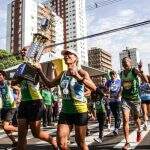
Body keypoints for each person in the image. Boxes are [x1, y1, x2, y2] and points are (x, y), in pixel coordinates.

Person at [36, 49, 97, 150]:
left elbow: (93, 88)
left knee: (80, 143)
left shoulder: (82, 72)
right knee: (61, 143)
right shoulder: (63, 73)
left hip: (80, 111)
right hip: (65, 111)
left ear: (76, 58)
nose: (66, 56)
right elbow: (49, 84)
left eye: (69, 54)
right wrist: (40, 71)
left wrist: (77, 76)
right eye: (65, 55)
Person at [14, 47, 58, 150]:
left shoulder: (36, 66)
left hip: (35, 102)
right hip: (23, 102)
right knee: (21, 135)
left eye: (25, 50)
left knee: (36, 133)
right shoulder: (20, 66)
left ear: (32, 52)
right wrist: (20, 76)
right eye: (22, 51)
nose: (22, 52)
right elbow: (13, 82)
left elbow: (35, 81)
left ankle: (52, 140)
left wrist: (22, 75)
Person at [120, 57, 148, 150]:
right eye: (122, 61)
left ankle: (139, 130)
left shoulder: (134, 70)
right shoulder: (121, 73)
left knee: (136, 118)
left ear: (130, 63)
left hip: (135, 99)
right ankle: (127, 143)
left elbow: (145, 80)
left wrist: (140, 70)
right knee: (125, 119)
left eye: (126, 61)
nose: (124, 62)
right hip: (125, 99)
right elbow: (122, 86)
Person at [0, 70, 18, 148]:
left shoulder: (8, 83)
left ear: (4, 76)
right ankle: (15, 142)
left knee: (5, 126)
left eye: (0, 75)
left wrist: (17, 98)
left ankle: (22, 130)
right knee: (5, 128)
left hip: (11, 107)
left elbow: (18, 89)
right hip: (4, 108)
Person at [106, 70, 122, 135]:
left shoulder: (119, 81)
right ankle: (118, 124)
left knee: (117, 114)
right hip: (111, 100)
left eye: (113, 74)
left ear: (116, 75)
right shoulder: (108, 82)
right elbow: (106, 90)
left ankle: (116, 128)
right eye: (111, 75)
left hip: (118, 100)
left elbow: (121, 88)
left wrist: (119, 95)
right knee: (115, 115)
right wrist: (107, 98)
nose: (112, 76)